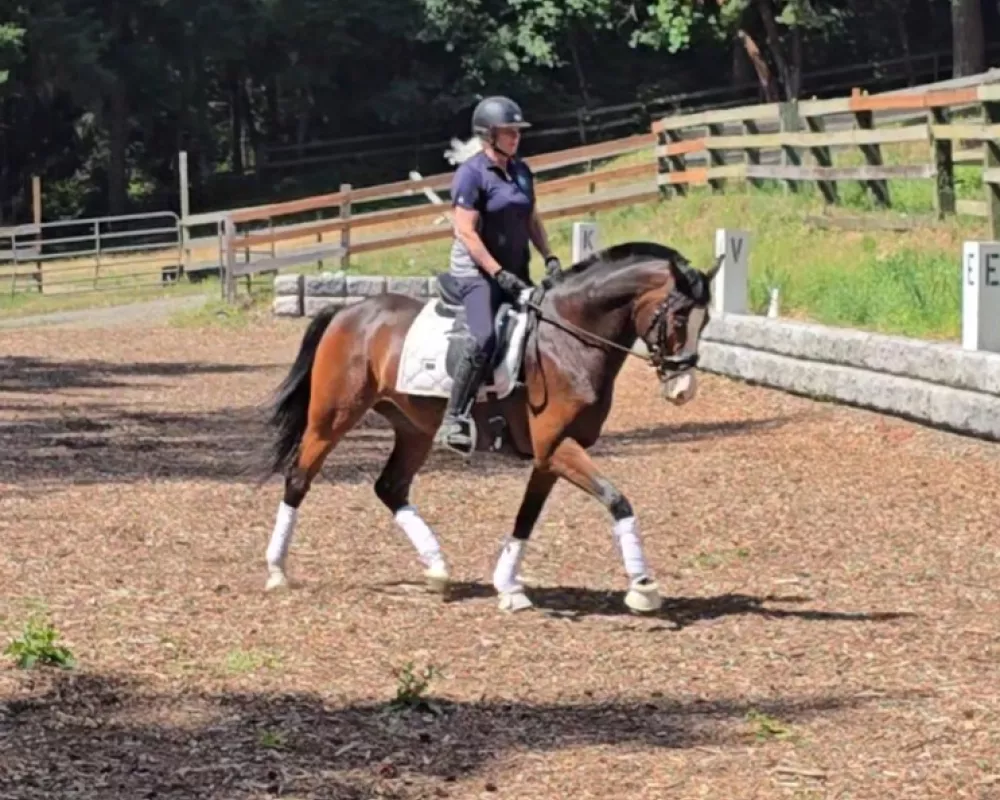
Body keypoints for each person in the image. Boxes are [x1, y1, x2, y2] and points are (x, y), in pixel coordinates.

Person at [435, 95, 562, 456]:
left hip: (515, 269)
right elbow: (466, 232)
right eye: (509, 132)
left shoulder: (521, 171)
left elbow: (531, 218)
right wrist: (495, 273)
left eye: (517, 131)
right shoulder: (470, 175)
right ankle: (454, 418)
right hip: (475, 273)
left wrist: (549, 256)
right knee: (484, 336)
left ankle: (516, 415)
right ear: (489, 135)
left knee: (540, 330)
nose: (516, 137)